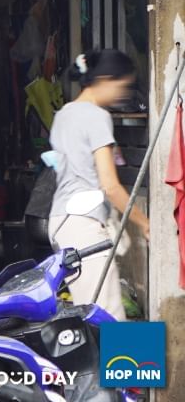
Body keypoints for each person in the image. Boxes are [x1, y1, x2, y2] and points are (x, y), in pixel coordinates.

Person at [48, 50, 149, 321]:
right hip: (83, 223)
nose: (123, 94)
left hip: (61, 221)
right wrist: (145, 223)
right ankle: (113, 365)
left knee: (90, 314)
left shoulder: (64, 114)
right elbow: (110, 185)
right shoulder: (95, 116)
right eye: (122, 86)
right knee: (108, 317)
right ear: (104, 80)